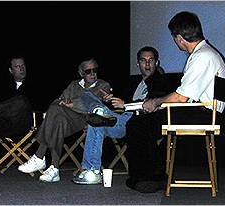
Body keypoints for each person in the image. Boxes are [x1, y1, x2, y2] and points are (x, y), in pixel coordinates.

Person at [127, 11, 225, 193]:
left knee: (138, 123)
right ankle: (155, 175)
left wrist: (156, 102)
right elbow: (184, 96)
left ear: (180, 38)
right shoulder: (205, 53)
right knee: (146, 121)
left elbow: (182, 97)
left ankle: (147, 178)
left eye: (174, 38)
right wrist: (157, 104)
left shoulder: (202, 56)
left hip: (203, 114)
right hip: (205, 112)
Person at [72, 46, 170, 185]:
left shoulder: (161, 82)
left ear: (156, 63)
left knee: (98, 122)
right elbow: (121, 106)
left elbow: (152, 104)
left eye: (151, 60)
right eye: (143, 60)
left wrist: (125, 104)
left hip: (138, 123)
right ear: (138, 64)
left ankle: (92, 170)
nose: (147, 64)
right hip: (120, 119)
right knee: (87, 97)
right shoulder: (133, 84)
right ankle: (92, 171)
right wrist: (109, 100)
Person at [18, 58, 114, 182]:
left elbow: (95, 101)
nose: (92, 73)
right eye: (88, 71)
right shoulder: (74, 85)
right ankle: (54, 168)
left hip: (88, 120)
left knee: (56, 110)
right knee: (58, 119)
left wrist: (72, 104)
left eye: (95, 70)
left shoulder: (102, 85)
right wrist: (63, 102)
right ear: (81, 73)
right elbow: (58, 100)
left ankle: (39, 155)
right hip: (68, 120)